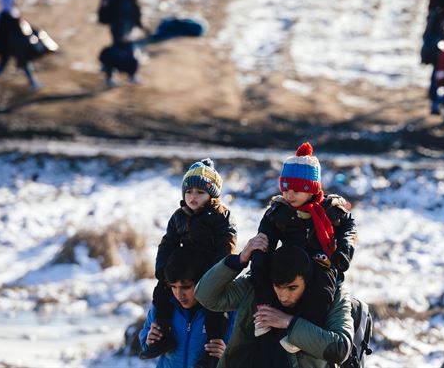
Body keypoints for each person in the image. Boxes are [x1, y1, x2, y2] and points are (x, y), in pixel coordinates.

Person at [249, 142, 356, 353]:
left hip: (320, 258)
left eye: (297, 189)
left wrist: (344, 250)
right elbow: (267, 231)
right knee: (260, 268)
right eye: (286, 188)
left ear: (312, 189)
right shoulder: (279, 210)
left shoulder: (330, 210)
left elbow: (348, 227)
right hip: (289, 261)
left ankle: (303, 329)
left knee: (323, 285)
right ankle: (263, 311)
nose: (290, 194)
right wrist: (261, 251)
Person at [195, 235, 354, 368]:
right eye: (278, 287)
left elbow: (340, 348)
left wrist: (289, 322)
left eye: (293, 288)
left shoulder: (334, 294)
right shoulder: (259, 283)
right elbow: (206, 296)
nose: (284, 296)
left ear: (308, 280)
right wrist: (240, 259)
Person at [139, 159, 237, 368]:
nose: (179, 294)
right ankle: (164, 336)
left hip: (210, 273)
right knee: (161, 296)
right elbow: (167, 243)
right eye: (189, 191)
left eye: (200, 193)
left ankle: (209, 359)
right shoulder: (178, 217)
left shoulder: (221, 216)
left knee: (214, 314)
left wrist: (226, 354)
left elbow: (227, 244)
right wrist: (164, 273)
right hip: (181, 265)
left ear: (213, 195)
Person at [139, 248, 235, 368]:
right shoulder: (162, 307)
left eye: (186, 287)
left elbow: (244, 355)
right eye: (173, 286)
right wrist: (149, 341)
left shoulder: (226, 310)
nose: (179, 294)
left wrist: (227, 358)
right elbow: (144, 343)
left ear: (202, 281)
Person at [0, 0, 43, 103]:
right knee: (12, 65)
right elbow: (9, 31)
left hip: (12, 46)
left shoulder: (10, 13)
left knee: (22, 63)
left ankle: (33, 83)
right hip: (8, 47)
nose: (15, 2)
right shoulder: (4, 15)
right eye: (13, 1)